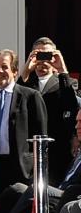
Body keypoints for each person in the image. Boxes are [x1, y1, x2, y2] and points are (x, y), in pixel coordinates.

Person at [0, 49, 47, 195]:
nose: (0, 71)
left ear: (14, 71)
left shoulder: (30, 97)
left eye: (4, 66)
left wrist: (37, 175)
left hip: (22, 171)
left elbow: (41, 138)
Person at [18, 36, 79, 184]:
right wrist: (25, 70)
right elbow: (15, 101)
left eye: (47, 56)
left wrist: (62, 69)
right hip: (31, 152)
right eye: (39, 55)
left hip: (58, 149)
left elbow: (72, 103)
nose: (43, 61)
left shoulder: (65, 82)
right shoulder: (27, 84)